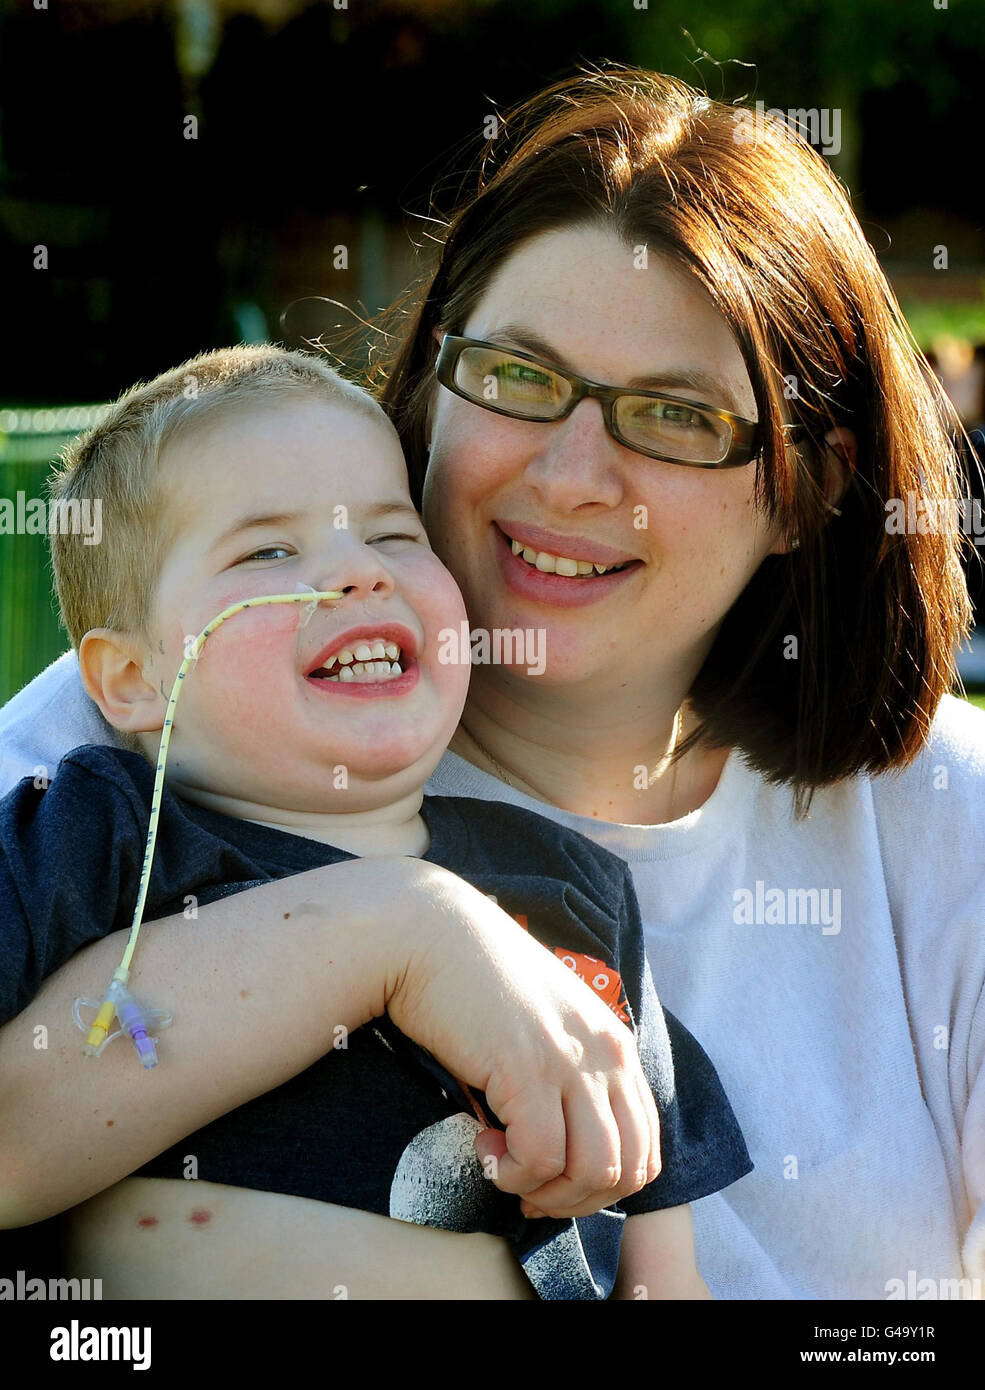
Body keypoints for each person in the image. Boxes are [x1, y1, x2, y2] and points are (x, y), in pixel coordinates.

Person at [1, 63, 982, 1299]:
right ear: (431, 379)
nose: (573, 475)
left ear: (810, 488)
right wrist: (394, 930)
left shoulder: (945, 821)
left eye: (674, 415)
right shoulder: (138, 735)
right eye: (518, 377)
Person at [0, 344, 751, 1299]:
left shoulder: (575, 889)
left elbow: (659, 1268)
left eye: (396, 536)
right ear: (133, 678)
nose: (358, 574)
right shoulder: (94, 835)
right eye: (268, 552)